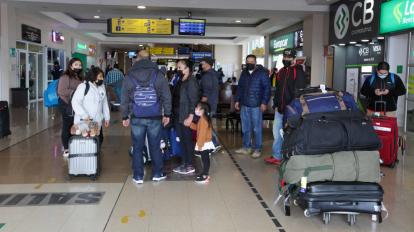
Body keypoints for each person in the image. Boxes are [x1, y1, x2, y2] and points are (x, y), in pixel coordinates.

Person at [121, 49, 172, 184]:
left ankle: (138, 176)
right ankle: (157, 173)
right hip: (155, 116)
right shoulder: (159, 75)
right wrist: (167, 114)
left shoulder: (129, 76)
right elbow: (167, 96)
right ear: (149, 59)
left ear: (137, 58)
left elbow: (124, 98)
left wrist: (124, 116)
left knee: (137, 147)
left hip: (137, 116)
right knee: (155, 146)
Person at [264, 48, 306, 165]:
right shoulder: (281, 72)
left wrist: (292, 108)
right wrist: (276, 104)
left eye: (289, 58)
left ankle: (288, 158)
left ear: (294, 59)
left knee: (289, 134)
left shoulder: (298, 72)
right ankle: (277, 156)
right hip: (279, 109)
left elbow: (299, 93)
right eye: (285, 57)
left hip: (291, 110)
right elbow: (278, 90)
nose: (286, 59)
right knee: (277, 133)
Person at [234, 54, 271, 158]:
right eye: (248, 61)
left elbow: (267, 89)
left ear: (255, 62)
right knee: (245, 128)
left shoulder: (262, 73)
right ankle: (246, 147)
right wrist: (237, 100)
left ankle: (257, 149)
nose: (249, 63)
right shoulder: (244, 73)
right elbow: (240, 87)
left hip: (256, 105)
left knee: (256, 128)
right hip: (244, 105)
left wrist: (264, 102)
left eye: (251, 61)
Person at [172, 59, 200, 175]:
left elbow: (194, 101)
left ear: (187, 68)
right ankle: (184, 162)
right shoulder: (180, 80)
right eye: (177, 67)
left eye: (180, 67)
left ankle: (189, 165)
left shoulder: (191, 81)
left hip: (186, 115)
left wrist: (190, 116)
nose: (177, 69)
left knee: (187, 140)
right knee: (182, 140)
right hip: (178, 115)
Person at [71, 67, 110, 147]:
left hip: (97, 120)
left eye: (102, 76)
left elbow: (104, 103)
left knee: (98, 140)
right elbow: (75, 102)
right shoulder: (83, 86)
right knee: (84, 142)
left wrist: (107, 117)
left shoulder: (102, 87)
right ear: (93, 76)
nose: (102, 79)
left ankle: (95, 157)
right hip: (83, 121)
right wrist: (84, 115)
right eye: (100, 76)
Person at [57, 58, 83, 157]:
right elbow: (61, 91)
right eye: (76, 65)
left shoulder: (78, 77)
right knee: (67, 125)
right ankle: (66, 149)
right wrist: (76, 92)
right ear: (71, 66)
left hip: (74, 105)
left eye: (80, 65)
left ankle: (72, 146)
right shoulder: (65, 76)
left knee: (74, 124)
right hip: (66, 104)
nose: (78, 67)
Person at [199, 57, 220, 150]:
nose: (201, 65)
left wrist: (201, 105)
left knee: (207, 125)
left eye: (203, 63)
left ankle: (215, 144)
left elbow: (206, 92)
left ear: (208, 64)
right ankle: (214, 144)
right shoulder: (214, 74)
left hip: (208, 104)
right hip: (212, 103)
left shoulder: (207, 75)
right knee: (208, 124)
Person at [190, 102, 215, 183]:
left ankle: (205, 175)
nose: (196, 109)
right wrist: (191, 125)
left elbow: (202, 133)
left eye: (197, 108)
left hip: (204, 143)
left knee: (205, 159)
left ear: (202, 110)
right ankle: (205, 173)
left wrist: (200, 145)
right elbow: (198, 128)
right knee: (205, 159)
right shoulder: (202, 119)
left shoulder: (203, 120)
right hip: (204, 143)